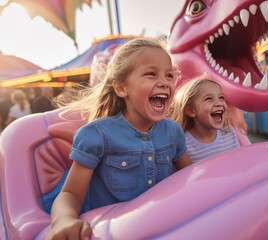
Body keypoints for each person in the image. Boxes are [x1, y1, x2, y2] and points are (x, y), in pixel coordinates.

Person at [47, 38, 192, 239]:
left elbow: (189, 178)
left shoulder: (173, 131)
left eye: (169, 75)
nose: (164, 82)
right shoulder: (96, 136)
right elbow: (69, 195)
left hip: (166, 227)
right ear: (122, 88)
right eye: (151, 74)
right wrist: (64, 220)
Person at [169, 75, 240, 163]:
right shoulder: (183, 144)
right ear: (191, 110)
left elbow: (239, 164)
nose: (219, 103)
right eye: (209, 99)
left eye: (221, 97)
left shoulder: (229, 133)